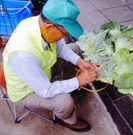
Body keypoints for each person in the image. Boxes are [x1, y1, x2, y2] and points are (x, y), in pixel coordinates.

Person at [3, 0, 99, 132]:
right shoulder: (22, 54)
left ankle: (72, 87)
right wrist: (78, 80)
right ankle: (67, 119)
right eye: (65, 34)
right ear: (49, 27)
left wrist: (79, 62)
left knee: (74, 49)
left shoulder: (37, 23)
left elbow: (59, 47)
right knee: (64, 102)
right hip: (26, 90)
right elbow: (45, 90)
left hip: (40, 71)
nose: (64, 37)